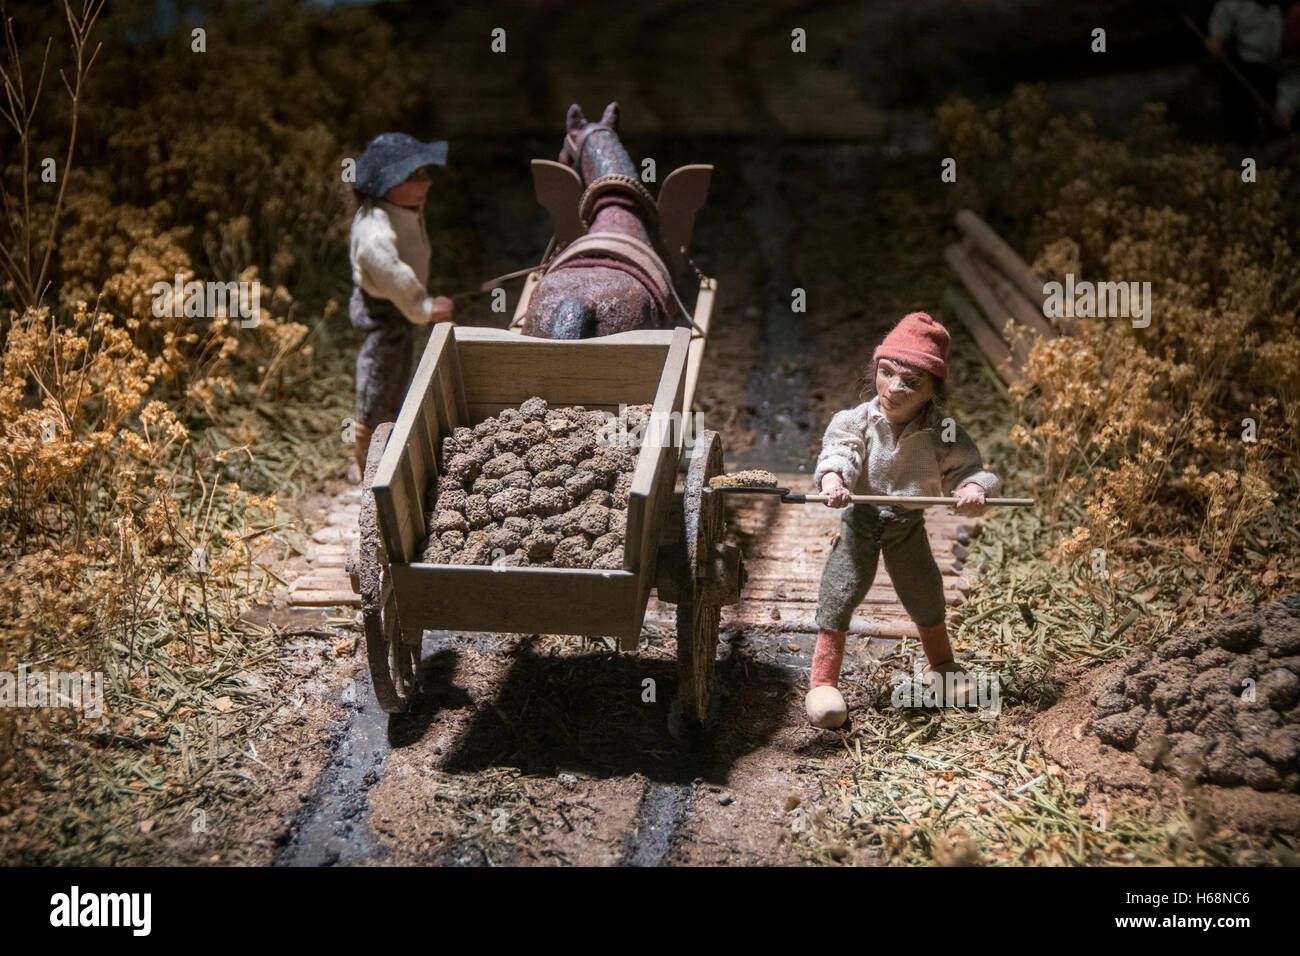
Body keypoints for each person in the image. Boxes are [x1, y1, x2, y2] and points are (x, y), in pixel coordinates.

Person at [806, 312, 1000, 729]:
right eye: (886, 372)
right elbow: (840, 452)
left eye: (910, 382)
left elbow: (970, 468)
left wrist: (972, 487)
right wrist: (835, 479)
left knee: (925, 592)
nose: (894, 388)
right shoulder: (854, 420)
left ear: (933, 389)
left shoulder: (942, 432)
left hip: (907, 525)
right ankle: (823, 683)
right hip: (860, 519)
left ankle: (943, 667)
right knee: (840, 590)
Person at [347, 133, 456, 478]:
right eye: (415, 176)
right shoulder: (375, 235)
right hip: (385, 312)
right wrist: (423, 307)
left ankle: (390, 442)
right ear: (388, 186)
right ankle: (368, 460)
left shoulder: (403, 208)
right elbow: (390, 271)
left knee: (398, 374)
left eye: (425, 173)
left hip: (397, 308)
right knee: (380, 377)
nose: (427, 181)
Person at [1204, 1, 1300, 137]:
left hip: (1269, 79)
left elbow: (1294, 81)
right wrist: (1218, 36)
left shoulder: (1294, 57)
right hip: (1237, 66)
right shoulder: (1260, 14)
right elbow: (1227, 8)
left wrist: (1285, 108)